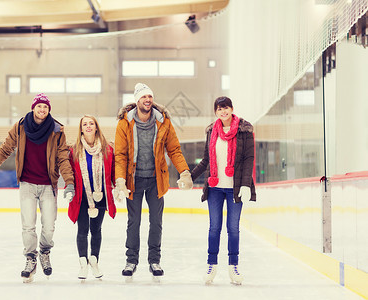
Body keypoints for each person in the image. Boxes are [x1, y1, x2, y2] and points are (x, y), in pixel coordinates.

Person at [0, 93, 75, 283]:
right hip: (27, 183)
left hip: (48, 184)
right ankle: (31, 258)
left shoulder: (56, 130)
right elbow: (5, 149)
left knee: (49, 226)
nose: (42, 110)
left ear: (49, 110)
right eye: (39, 106)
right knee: (28, 226)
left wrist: (69, 181)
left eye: (45, 107)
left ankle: (45, 252)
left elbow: (63, 157)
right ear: (33, 108)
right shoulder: (21, 127)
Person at [114, 83, 193, 279]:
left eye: (149, 96)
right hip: (134, 180)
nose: (147, 100)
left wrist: (184, 172)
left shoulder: (163, 121)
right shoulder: (125, 123)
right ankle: (131, 260)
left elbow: (174, 149)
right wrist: (120, 179)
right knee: (134, 222)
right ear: (136, 100)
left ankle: (154, 261)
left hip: (156, 181)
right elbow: (120, 154)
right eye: (143, 97)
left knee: (156, 222)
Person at [190, 96, 256, 285]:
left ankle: (233, 267)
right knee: (214, 228)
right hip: (215, 188)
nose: (223, 111)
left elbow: (248, 159)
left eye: (226, 108)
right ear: (216, 112)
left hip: (235, 188)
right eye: (219, 109)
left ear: (232, 109)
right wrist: (190, 177)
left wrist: (245, 184)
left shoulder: (244, 130)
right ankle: (211, 265)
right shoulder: (212, 131)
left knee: (233, 229)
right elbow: (206, 160)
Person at [67, 115, 117, 280]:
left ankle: (94, 261)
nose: (88, 126)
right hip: (81, 197)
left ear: (96, 127)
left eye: (91, 123)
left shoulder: (107, 149)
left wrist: (119, 187)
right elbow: (69, 174)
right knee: (82, 230)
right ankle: (83, 264)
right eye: (85, 124)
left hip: (100, 195)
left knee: (96, 230)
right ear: (81, 129)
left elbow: (114, 172)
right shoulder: (74, 150)